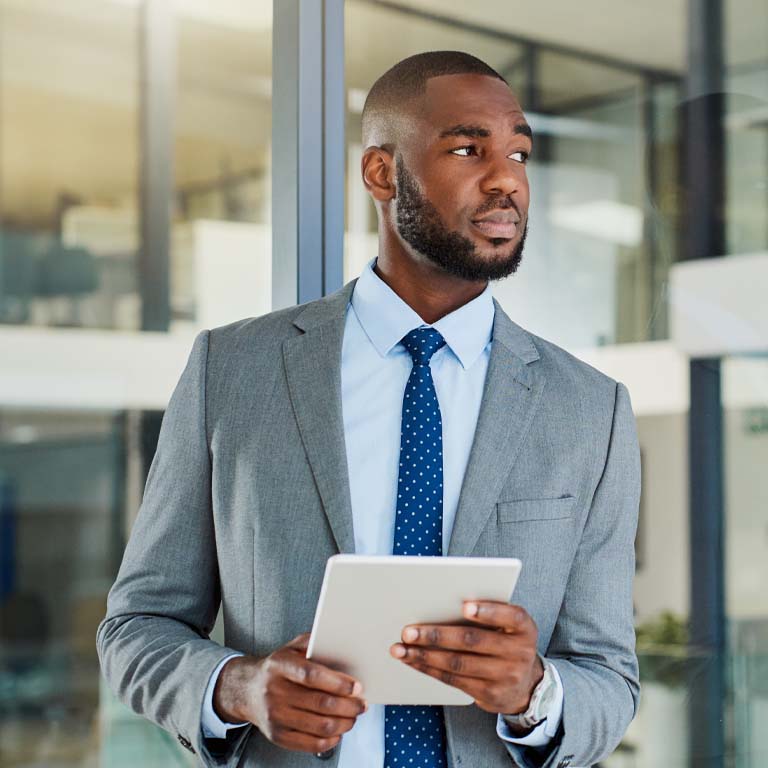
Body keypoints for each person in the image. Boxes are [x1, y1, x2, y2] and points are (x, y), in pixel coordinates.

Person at [97, 51, 640, 768]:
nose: (507, 177)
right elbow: (137, 627)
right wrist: (237, 686)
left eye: (519, 152)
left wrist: (537, 692)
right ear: (382, 173)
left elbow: (609, 675)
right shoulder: (232, 373)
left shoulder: (590, 410)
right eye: (468, 148)